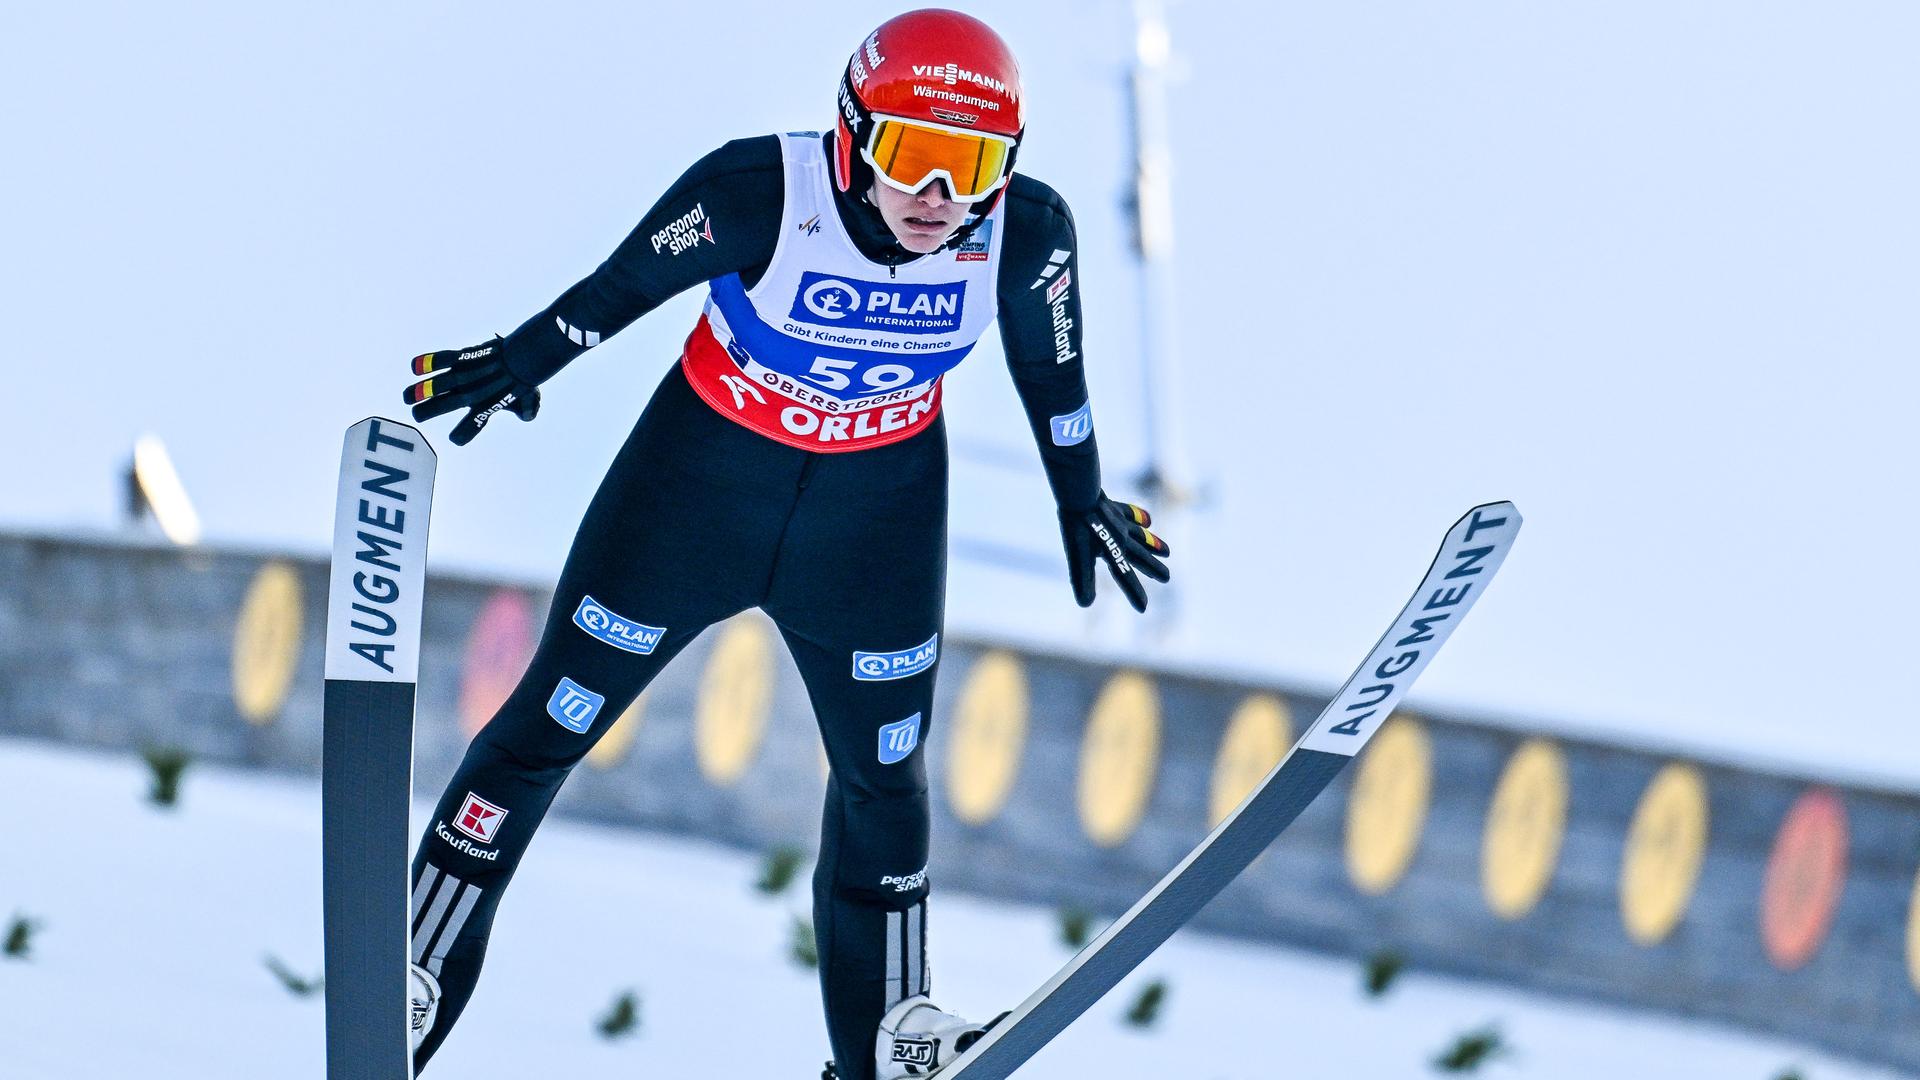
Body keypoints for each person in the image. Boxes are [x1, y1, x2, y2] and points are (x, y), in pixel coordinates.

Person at [400, 9, 1170, 1078]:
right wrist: (524, 360)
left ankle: (889, 1035)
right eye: (913, 157)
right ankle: (420, 970)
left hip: (873, 525)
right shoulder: (761, 191)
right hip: (698, 495)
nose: (937, 200)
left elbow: (1055, 377)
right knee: (542, 732)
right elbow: (614, 292)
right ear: (853, 136)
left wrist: (1080, 497)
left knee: (884, 780)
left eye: (973, 166)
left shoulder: (1025, 234)